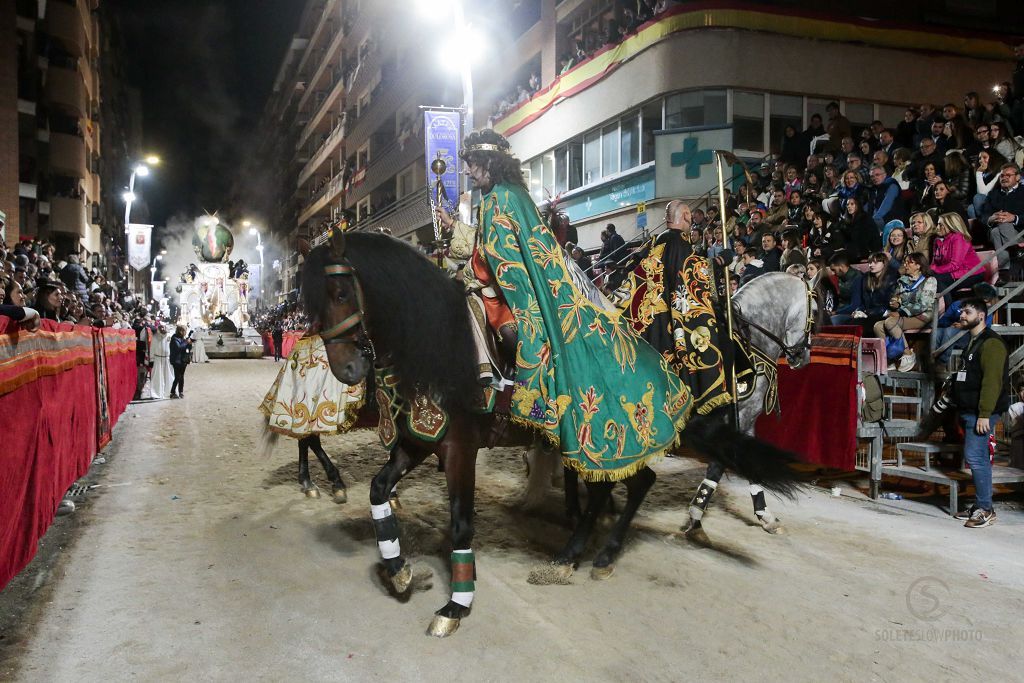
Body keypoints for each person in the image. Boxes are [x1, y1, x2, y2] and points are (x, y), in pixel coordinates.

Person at [437, 129, 689, 474]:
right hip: (496, 286)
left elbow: (504, 259)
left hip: (508, 293)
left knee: (514, 337)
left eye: (471, 165)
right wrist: (455, 231)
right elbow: (489, 246)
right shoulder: (501, 196)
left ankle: (522, 408)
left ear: (487, 164)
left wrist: (475, 279)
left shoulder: (502, 198)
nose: (468, 172)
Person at [950, 297, 1009, 528]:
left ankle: (985, 509)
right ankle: (981, 504)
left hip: (982, 411)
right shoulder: (973, 341)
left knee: (975, 456)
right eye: (962, 311)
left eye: (967, 312)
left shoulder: (991, 343)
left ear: (981, 316)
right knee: (979, 457)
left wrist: (985, 413)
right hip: (970, 409)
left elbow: (992, 382)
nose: (962, 315)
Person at [873, 253, 937, 371]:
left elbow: (924, 304)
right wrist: (895, 302)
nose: (905, 265)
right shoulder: (903, 280)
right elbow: (897, 297)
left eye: (909, 262)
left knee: (891, 322)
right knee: (877, 326)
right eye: (905, 262)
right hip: (904, 315)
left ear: (918, 266)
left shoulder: (929, 280)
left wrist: (901, 312)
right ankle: (890, 358)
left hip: (922, 316)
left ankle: (908, 354)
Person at [831, 252, 896, 334]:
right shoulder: (866, 278)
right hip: (867, 314)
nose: (871, 265)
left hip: (882, 314)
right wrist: (858, 311)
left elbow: (888, 304)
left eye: (875, 262)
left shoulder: (891, 280)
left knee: (857, 325)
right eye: (870, 262)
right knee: (851, 323)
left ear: (884, 264)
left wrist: (866, 312)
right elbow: (863, 302)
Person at [979, 163, 1024, 280]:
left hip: (1021, 233)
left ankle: (1005, 270)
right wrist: (991, 218)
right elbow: (983, 216)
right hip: (999, 232)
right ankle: (1016, 260)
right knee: (996, 230)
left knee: (1001, 227)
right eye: (1002, 175)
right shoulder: (993, 194)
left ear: (1018, 177)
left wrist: (1014, 218)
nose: (1004, 178)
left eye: (1008, 175)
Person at [931, 212, 983, 300]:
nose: (937, 228)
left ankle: (948, 309)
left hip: (971, 273)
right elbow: (936, 263)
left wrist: (934, 270)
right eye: (938, 224)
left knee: (937, 279)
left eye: (941, 225)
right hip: (953, 271)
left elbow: (955, 264)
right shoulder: (938, 240)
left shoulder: (959, 238)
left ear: (951, 225)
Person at [149, 322, 173, 400]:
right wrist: (151, 359)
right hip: (157, 359)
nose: (162, 329)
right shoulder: (155, 337)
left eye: (164, 327)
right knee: (157, 376)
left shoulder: (169, 336)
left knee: (169, 376)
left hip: (167, 359)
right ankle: (156, 393)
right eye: (161, 327)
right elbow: (152, 348)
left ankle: (169, 392)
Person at [169, 325, 193, 399]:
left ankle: (181, 392)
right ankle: (172, 392)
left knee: (181, 376)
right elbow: (178, 348)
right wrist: (186, 342)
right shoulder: (174, 339)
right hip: (176, 360)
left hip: (183, 360)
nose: (185, 332)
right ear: (180, 331)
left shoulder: (182, 338)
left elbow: (187, 348)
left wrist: (189, 344)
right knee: (177, 377)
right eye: (184, 331)